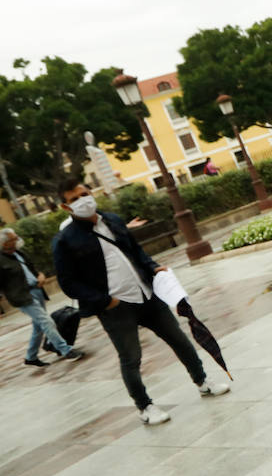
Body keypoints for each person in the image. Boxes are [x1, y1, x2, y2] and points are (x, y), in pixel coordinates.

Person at [52, 181, 229, 424]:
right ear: (65, 206)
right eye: (74, 199)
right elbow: (68, 283)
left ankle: (202, 382)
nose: (83, 200)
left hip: (146, 295)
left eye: (85, 194)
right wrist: (105, 301)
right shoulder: (65, 240)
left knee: (179, 340)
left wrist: (153, 267)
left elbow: (136, 252)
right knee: (131, 358)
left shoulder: (112, 220)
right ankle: (145, 407)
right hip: (116, 308)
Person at [0, 228, 84, 367]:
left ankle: (31, 357)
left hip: (37, 291)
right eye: (14, 239)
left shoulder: (19, 253)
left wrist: (40, 276)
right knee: (46, 321)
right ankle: (66, 350)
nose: (17, 240)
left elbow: (32, 269)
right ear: (5, 243)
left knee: (38, 325)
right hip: (22, 296)